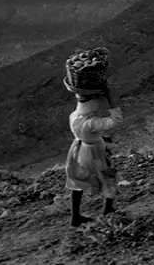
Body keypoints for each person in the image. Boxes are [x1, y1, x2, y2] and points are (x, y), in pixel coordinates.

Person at [64, 78, 123, 227]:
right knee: (108, 176)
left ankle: (75, 217)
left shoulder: (74, 116)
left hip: (78, 149)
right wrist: (110, 98)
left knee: (78, 181)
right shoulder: (91, 122)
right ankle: (107, 211)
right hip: (94, 151)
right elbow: (115, 121)